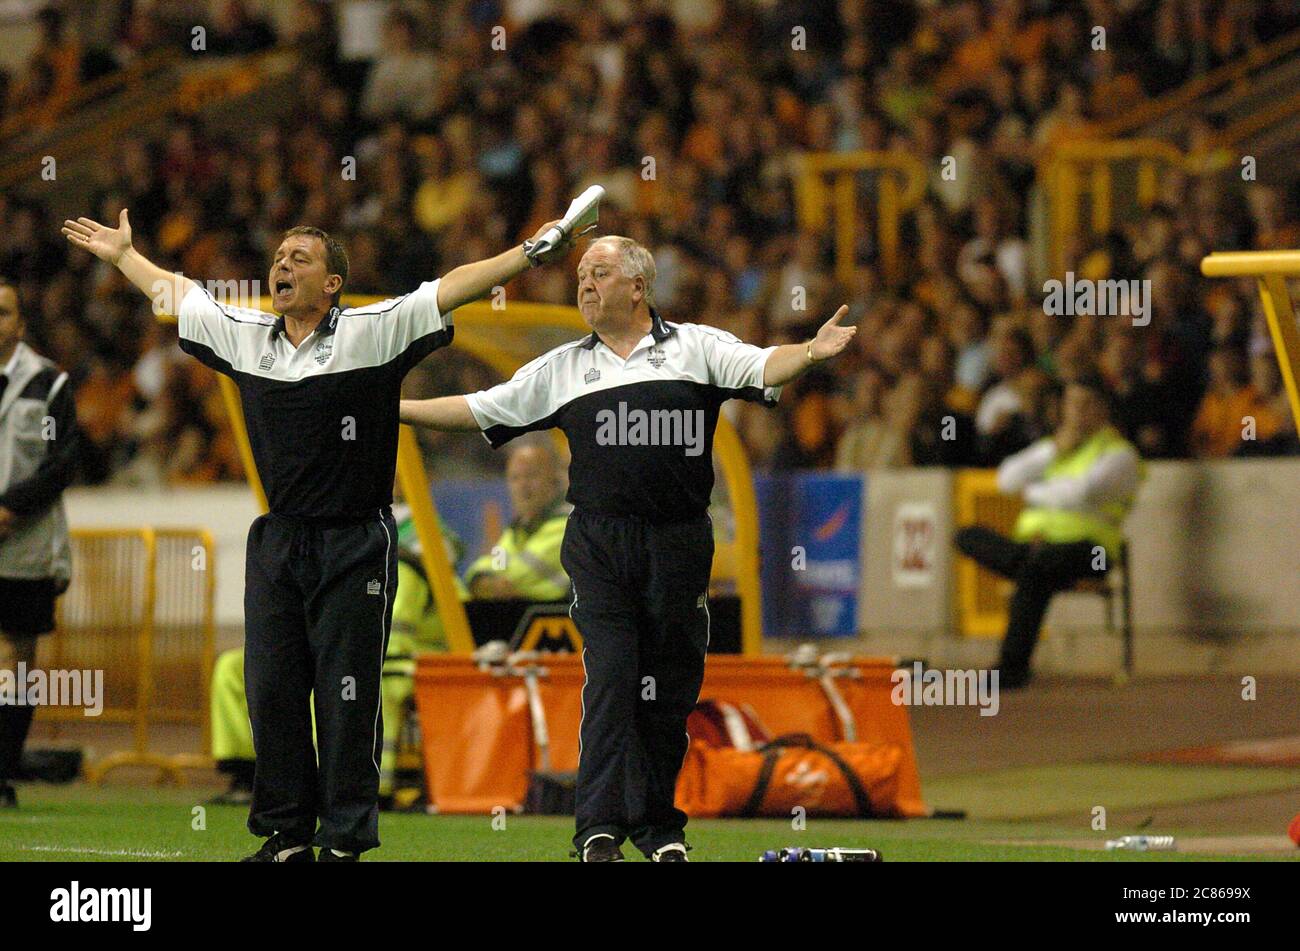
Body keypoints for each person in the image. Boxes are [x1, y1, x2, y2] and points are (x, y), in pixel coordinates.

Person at [62, 207, 575, 861]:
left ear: (333, 283)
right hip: (278, 540)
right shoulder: (247, 337)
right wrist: (124, 257)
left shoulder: (373, 331)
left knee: (345, 692)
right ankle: (286, 835)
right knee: (270, 688)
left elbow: (453, 287)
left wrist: (528, 252)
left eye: (300, 259)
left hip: (355, 539)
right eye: (278, 257)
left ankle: (344, 837)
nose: (282, 265)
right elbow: (180, 295)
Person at [399, 235, 856, 861]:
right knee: (612, 680)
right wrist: (395, 409)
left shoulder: (696, 346)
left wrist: (809, 351)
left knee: (668, 692)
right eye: (581, 274)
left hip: (679, 543)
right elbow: (482, 409)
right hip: (600, 543)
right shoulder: (561, 367)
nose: (584, 282)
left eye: (599, 272)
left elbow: (760, 365)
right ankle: (596, 832)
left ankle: (660, 829)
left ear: (638, 287)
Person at [208, 508, 464, 809]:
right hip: (349, 645)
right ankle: (247, 773)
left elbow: (393, 635)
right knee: (234, 667)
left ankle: (357, 788)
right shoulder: (332, 545)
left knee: (335, 674)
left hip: (416, 656)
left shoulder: (404, 568)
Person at [954, 376, 1143, 688]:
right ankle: (1024, 565)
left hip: (1090, 551)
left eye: (1086, 404)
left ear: (1103, 410)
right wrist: (1051, 452)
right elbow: (1006, 479)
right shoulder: (1053, 447)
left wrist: (1034, 491)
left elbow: (1082, 494)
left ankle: (1010, 670)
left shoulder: (1120, 454)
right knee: (968, 536)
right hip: (1037, 549)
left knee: (1034, 569)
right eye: (1072, 403)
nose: (1077, 412)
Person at [0, 277, 81, 808]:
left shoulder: (48, 383)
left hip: (24, 548)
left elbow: (61, 462)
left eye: (3, 312)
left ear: (20, 324)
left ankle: (2, 771)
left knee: (17, 658)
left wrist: (9, 508)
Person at [465, 438, 570, 601]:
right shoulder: (519, 530)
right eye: (515, 478)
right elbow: (494, 561)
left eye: (531, 475)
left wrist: (486, 583)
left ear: (554, 480)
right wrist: (480, 578)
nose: (522, 486)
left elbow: (518, 574)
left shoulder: (566, 525)